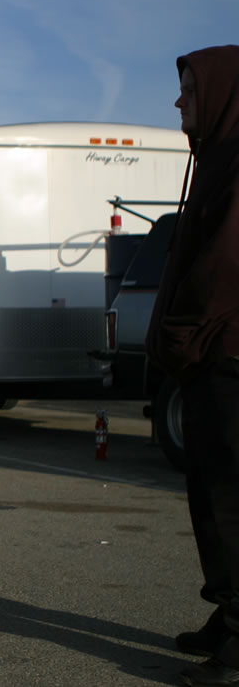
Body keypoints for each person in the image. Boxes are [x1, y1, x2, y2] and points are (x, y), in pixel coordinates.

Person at [146, 45, 239, 687]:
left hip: (227, 359)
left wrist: (183, 332)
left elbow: (222, 268)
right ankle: (226, 614)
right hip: (209, 362)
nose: (179, 101)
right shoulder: (215, 158)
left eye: (190, 90)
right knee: (209, 497)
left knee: (231, 501)